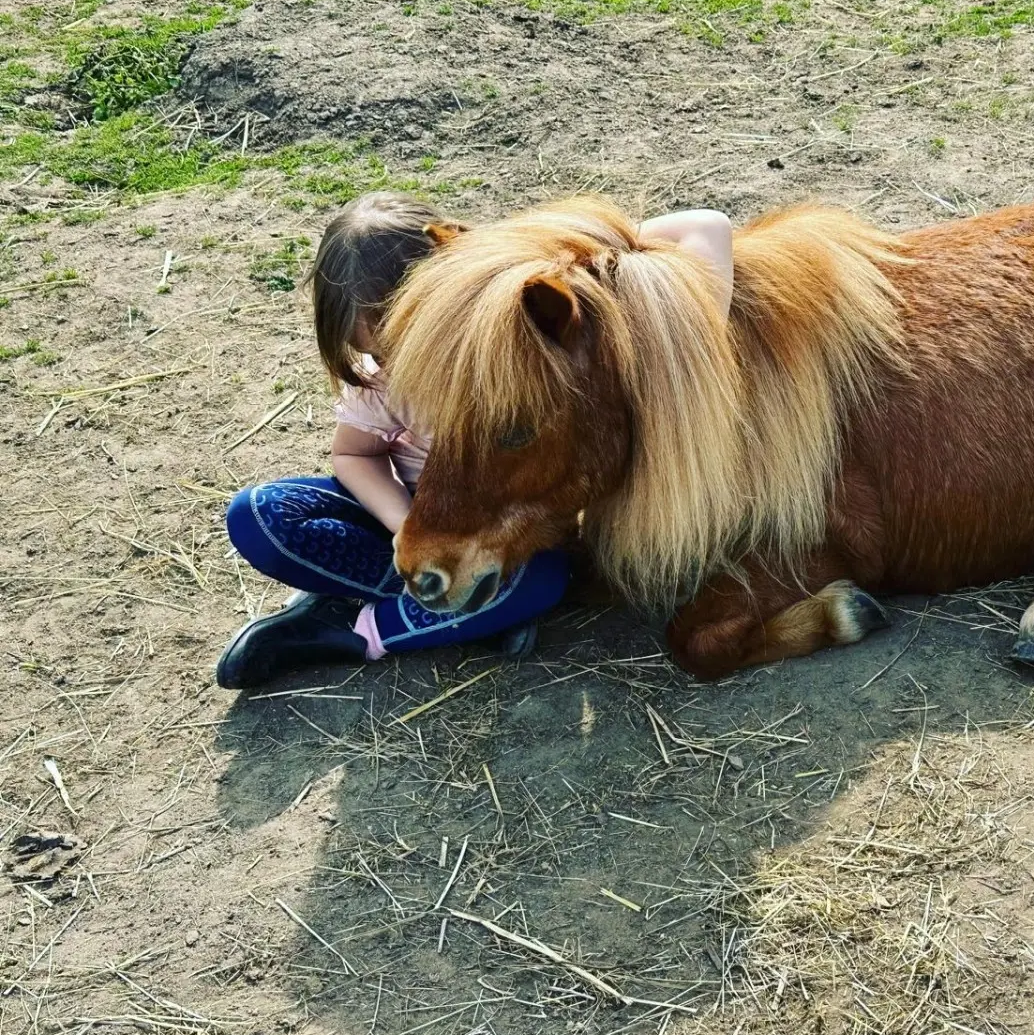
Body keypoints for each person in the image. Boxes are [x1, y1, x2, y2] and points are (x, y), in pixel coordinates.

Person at [216, 192, 734, 690]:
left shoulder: (504, 361)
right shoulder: (378, 384)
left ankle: (354, 632)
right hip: (417, 522)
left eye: (403, 343)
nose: (390, 367)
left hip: (488, 530)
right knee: (258, 515)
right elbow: (353, 455)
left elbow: (707, 225)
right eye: (370, 353)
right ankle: (454, 609)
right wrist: (402, 527)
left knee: (543, 584)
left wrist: (692, 343)